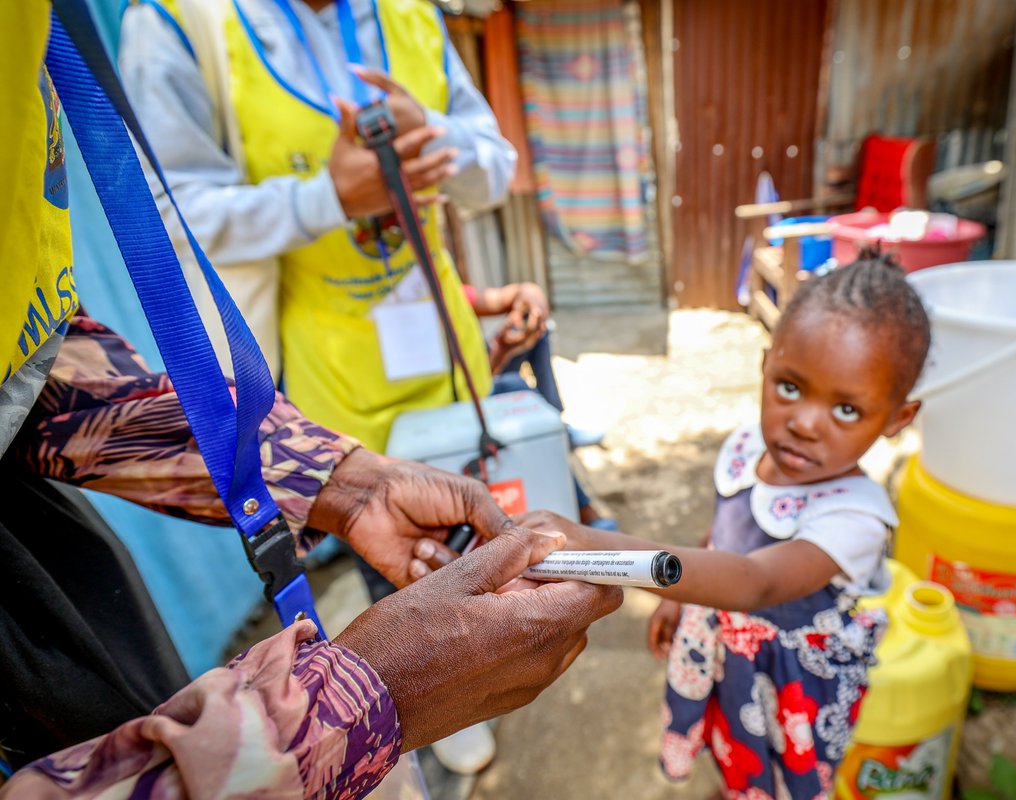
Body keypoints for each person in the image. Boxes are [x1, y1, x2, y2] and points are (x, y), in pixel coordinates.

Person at [0, 5, 620, 796]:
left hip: (441, 374)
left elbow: (34, 369)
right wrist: (354, 710)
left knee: (458, 562)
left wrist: (338, 480)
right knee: (414, 603)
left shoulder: (413, 17)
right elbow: (182, 215)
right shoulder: (188, 27)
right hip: (343, 388)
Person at [518, 252, 930, 798]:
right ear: (765, 366)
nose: (804, 423)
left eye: (847, 410)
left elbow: (752, 580)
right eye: (790, 386)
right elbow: (722, 539)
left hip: (788, 682)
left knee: (780, 769)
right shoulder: (747, 447)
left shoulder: (854, 517)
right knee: (729, 735)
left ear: (898, 418)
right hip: (722, 650)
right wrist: (679, 597)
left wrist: (591, 544)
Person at [118, 0, 515, 451]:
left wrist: (432, 134)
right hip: (312, 397)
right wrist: (328, 201)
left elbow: (496, 173)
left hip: (455, 371)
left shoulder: (414, 13)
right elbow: (171, 214)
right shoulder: (177, 21)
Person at [467, 281, 607, 451]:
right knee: (514, 385)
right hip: (471, 397)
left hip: (483, 370)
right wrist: (501, 352)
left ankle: (556, 424)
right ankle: (556, 431)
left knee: (534, 324)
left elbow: (520, 292)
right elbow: (474, 388)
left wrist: (533, 305)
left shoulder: (454, 295)